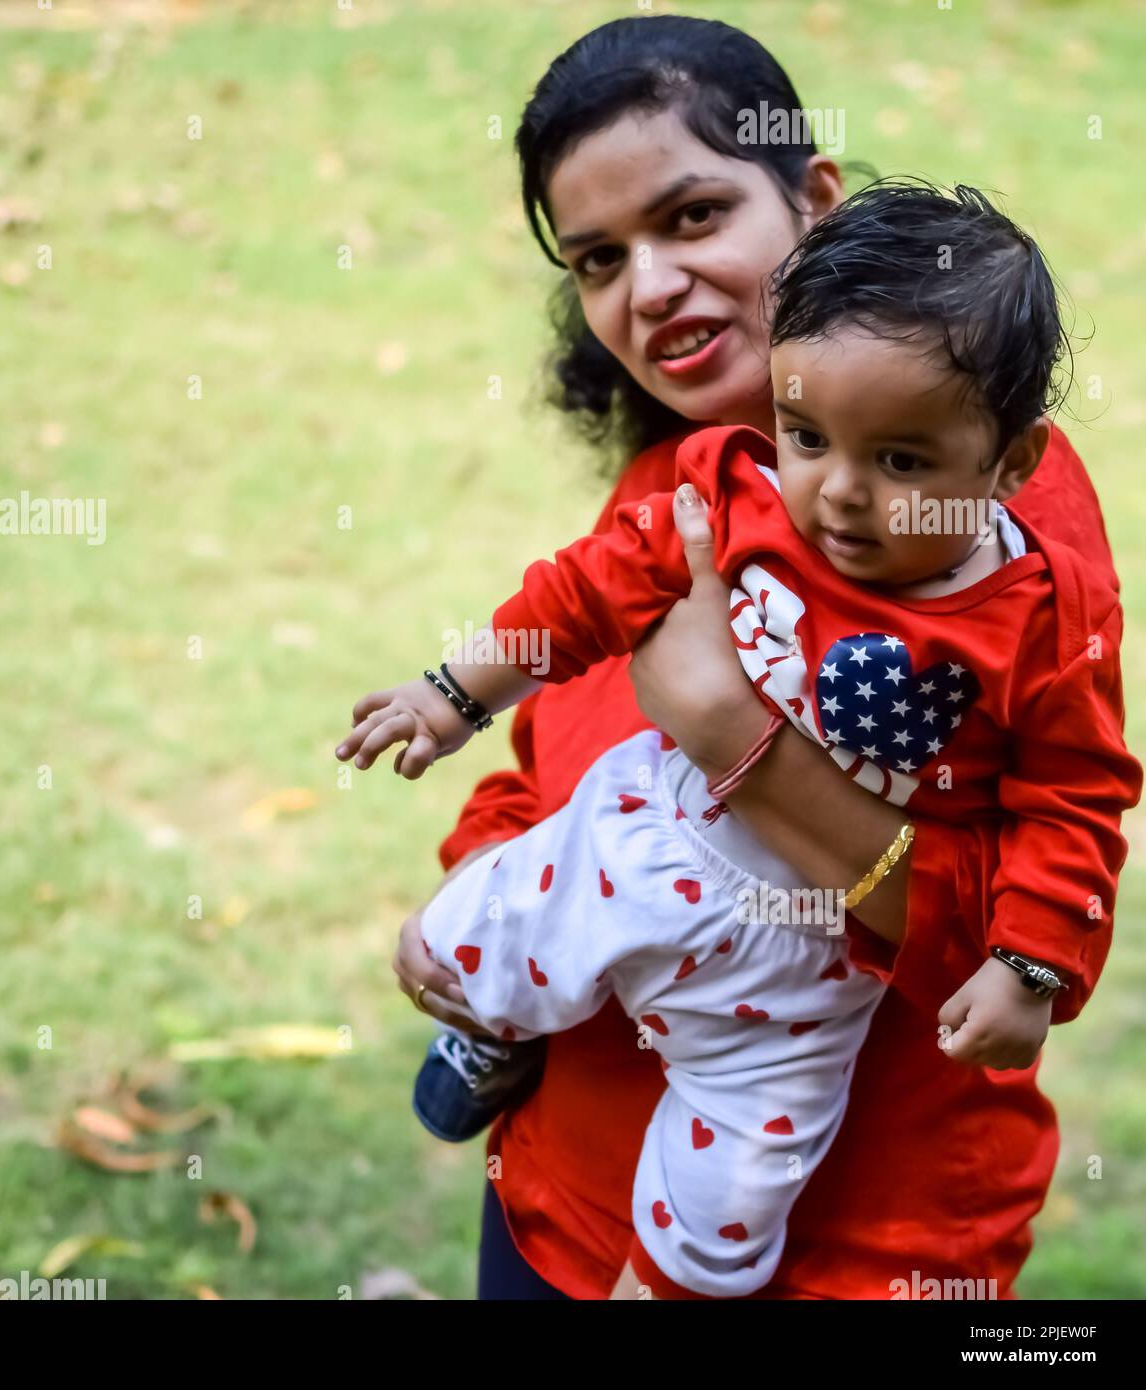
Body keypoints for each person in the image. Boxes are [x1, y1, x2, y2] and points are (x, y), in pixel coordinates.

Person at [382, 15, 1127, 1300]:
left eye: (691, 217)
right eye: (600, 257)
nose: (650, 287)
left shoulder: (985, 538)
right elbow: (554, 736)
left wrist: (736, 741)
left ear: (813, 202)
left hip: (839, 1241)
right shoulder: (688, 475)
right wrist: (486, 873)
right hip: (566, 1191)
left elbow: (992, 932)